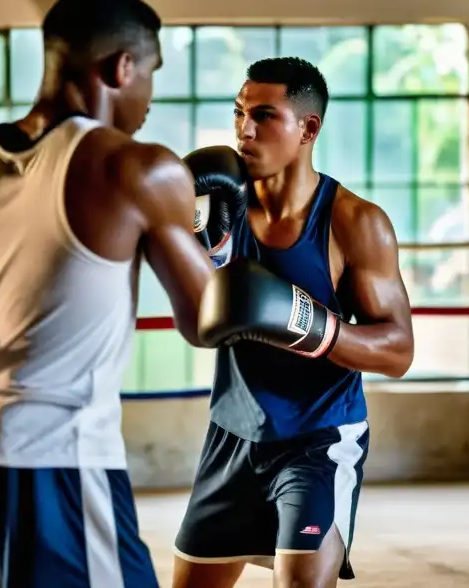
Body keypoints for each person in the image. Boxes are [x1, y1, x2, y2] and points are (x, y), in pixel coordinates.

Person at [0, 0, 218, 586]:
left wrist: (20, 306)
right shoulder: (137, 167)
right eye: (151, 75)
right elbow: (208, 318)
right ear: (122, 66)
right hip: (56, 451)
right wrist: (217, 239)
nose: (150, 98)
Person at [172, 57, 415, 588]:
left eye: (264, 115)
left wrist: (306, 322)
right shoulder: (216, 207)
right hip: (232, 434)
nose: (245, 129)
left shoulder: (355, 223)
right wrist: (203, 252)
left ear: (309, 128)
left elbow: (397, 352)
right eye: (238, 113)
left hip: (318, 437)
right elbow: (197, 324)